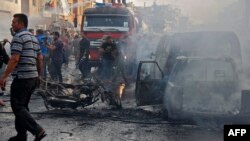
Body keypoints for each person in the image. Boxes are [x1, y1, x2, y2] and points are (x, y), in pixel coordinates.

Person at [0, 13, 46, 141]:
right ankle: (21, 135)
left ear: (21, 23)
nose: (12, 24)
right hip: (32, 78)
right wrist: (38, 75)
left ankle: (38, 130)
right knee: (22, 107)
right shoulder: (33, 37)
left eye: (14, 22)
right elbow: (40, 59)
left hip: (22, 78)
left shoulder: (18, 37)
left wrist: (3, 77)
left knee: (17, 106)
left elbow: (14, 59)